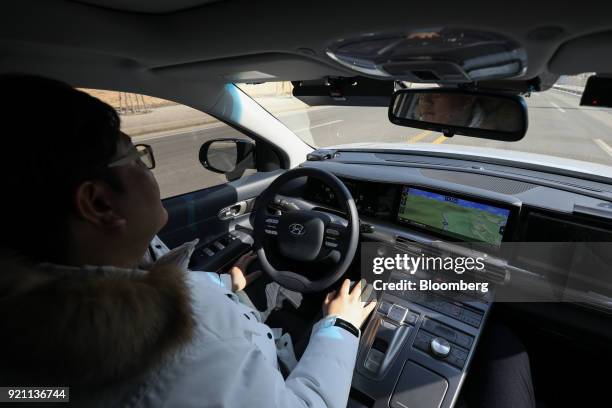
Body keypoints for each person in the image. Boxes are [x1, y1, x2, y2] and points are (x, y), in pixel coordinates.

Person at [0, 74, 376, 407]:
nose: (149, 170)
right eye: (135, 158)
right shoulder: (192, 349)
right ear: (98, 203)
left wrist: (222, 282)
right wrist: (339, 327)